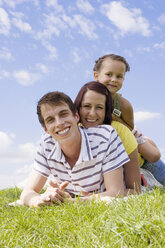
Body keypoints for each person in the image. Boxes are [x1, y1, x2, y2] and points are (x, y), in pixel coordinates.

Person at [20, 91, 136, 207]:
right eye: (51, 120)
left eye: (63, 114)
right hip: (87, 195)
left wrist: (71, 203)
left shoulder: (105, 137)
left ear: (76, 116)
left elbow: (116, 192)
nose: (59, 123)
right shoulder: (46, 144)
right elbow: (27, 192)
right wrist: (40, 201)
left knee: (143, 186)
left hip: (140, 175)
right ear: (45, 129)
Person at [93, 54, 165, 187]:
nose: (114, 80)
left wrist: (112, 118)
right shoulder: (87, 99)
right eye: (109, 74)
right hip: (117, 156)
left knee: (158, 166)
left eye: (119, 76)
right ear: (96, 75)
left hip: (136, 149)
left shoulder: (123, 105)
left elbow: (130, 129)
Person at [74, 81, 141, 193]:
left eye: (99, 107)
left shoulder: (120, 131)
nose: (92, 113)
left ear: (106, 111)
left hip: (144, 171)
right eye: (86, 106)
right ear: (77, 108)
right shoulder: (73, 132)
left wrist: (96, 197)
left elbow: (135, 190)